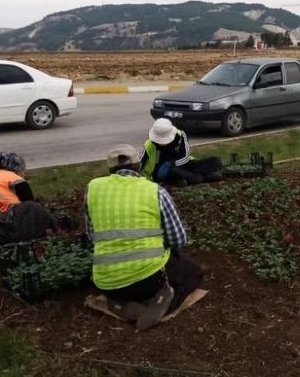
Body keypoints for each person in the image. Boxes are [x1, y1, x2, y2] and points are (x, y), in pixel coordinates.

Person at [87, 144, 203, 329]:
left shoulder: (93, 189)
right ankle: (164, 301)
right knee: (192, 272)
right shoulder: (154, 191)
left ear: (109, 169)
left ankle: (118, 303)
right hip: (149, 279)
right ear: (138, 166)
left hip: (106, 282)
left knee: (115, 284)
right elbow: (178, 239)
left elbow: (92, 236)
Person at [141, 118, 222, 186]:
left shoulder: (181, 136)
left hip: (182, 165)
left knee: (215, 161)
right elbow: (140, 166)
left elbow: (186, 157)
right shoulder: (149, 145)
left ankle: (193, 178)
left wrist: (172, 163)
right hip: (164, 172)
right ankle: (201, 177)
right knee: (174, 171)